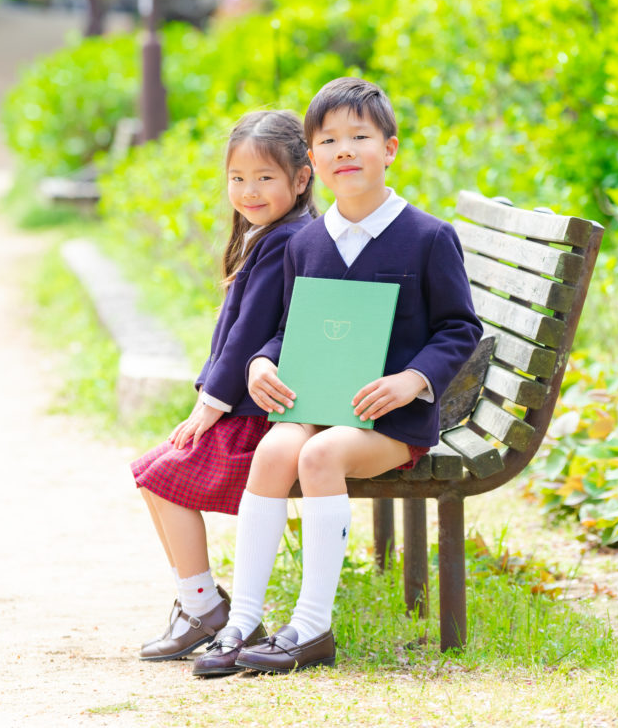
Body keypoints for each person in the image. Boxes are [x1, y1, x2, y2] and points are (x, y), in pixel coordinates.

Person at [192, 77, 482, 678]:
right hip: (320, 400)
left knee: (320, 455)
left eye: (360, 137)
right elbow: (289, 329)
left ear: (390, 149)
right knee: (275, 450)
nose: (344, 150)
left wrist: (412, 380)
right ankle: (243, 620)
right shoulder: (309, 242)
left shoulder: (428, 238)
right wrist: (261, 362)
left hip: (391, 418)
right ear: (313, 159)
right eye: (329, 140)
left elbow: (459, 328)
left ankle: (311, 626)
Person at [132, 110, 316, 661]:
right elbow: (234, 335)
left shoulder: (288, 241)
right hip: (247, 404)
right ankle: (199, 603)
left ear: (301, 178)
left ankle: (204, 608)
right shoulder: (273, 234)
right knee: (153, 472)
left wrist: (207, 409)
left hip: (260, 415)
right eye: (238, 178)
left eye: (265, 178)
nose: (249, 191)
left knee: (162, 477)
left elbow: (248, 339)